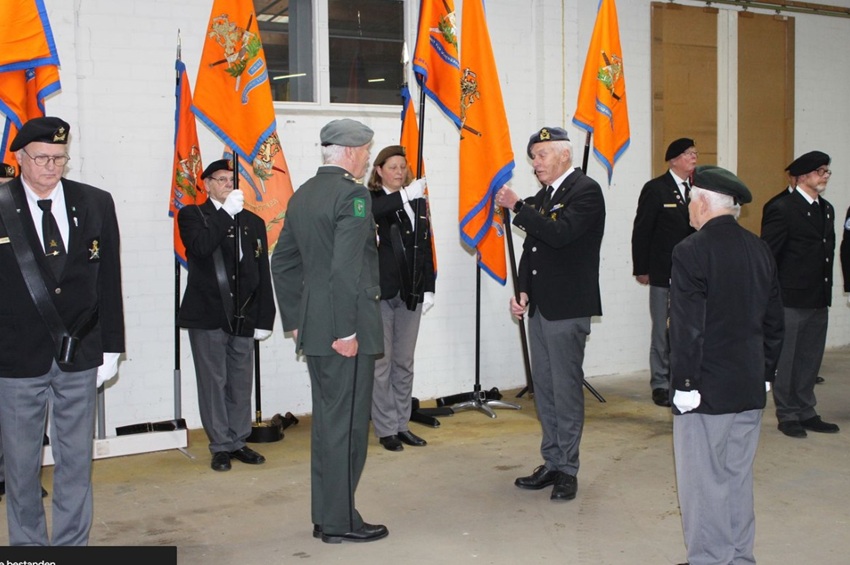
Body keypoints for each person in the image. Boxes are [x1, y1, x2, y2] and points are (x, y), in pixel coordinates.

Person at [0, 117, 125, 546]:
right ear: (20, 158)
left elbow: (108, 278)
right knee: (21, 467)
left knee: (76, 462)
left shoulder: (95, 202)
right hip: (16, 357)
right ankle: (29, 548)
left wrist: (112, 347)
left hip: (80, 353)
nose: (51, 167)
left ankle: (72, 546)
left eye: (59, 158)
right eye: (42, 158)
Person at [271, 118, 387, 543]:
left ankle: (326, 515)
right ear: (351, 152)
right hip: (344, 329)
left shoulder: (303, 194)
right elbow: (345, 269)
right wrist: (346, 331)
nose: (367, 160)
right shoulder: (352, 195)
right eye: (367, 152)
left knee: (328, 425)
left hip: (316, 328)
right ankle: (340, 522)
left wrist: (296, 321)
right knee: (348, 427)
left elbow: (282, 262)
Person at [669, 165, 784, 565]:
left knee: (703, 482)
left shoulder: (691, 250)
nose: (688, 208)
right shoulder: (759, 248)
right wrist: (766, 373)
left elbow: (687, 327)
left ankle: (709, 559)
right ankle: (738, 557)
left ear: (702, 202)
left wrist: (684, 384)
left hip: (706, 390)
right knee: (736, 477)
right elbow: (774, 320)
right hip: (748, 386)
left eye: (690, 200)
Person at [495, 126, 605, 502]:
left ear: (564, 155)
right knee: (544, 389)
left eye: (541, 155)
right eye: (533, 157)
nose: (536, 163)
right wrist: (523, 289)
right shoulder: (545, 196)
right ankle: (552, 461)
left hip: (568, 307)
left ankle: (568, 470)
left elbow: (560, 234)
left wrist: (518, 207)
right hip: (541, 307)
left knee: (565, 390)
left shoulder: (585, 191)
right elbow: (533, 249)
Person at [177, 159, 275, 472]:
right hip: (208, 314)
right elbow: (201, 248)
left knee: (241, 380)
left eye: (232, 180)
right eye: (220, 179)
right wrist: (225, 214)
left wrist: (265, 317)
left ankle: (238, 440)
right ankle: (220, 444)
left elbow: (261, 271)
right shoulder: (193, 215)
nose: (228, 184)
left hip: (244, 314)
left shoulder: (253, 222)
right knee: (213, 381)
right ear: (207, 185)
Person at [761, 151, 839, 438]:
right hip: (790, 299)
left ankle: (806, 410)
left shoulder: (826, 209)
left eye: (827, 171)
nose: (825, 176)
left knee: (809, 359)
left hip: (818, 297)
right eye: (820, 171)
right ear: (803, 176)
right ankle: (788, 414)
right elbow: (769, 256)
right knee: (787, 360)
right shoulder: (782, 208)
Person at [366, 145, 434, 452]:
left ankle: (402, 424)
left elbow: (424, 245)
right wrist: (406, 195)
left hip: (411, 292)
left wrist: (428, 286)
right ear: (379, 170)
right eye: (392, 167)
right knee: (381, 364)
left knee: (404, 362)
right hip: (382, 293)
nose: (399, 172)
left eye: (403, 167)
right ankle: (386, 429)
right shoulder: (369, 198)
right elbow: (373, 213)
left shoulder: (417, 202)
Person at [631, 137, 697, 407]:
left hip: (692, 275)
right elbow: (642, 230)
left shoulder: (699, 189)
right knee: (662, 330)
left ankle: (683, 379)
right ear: (673, 160)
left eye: (695, 153)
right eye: (688, 153)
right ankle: (660, 382)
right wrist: (641, 268)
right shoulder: (656, 189)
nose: (694, 157)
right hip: (662, 271)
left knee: (689, 329)